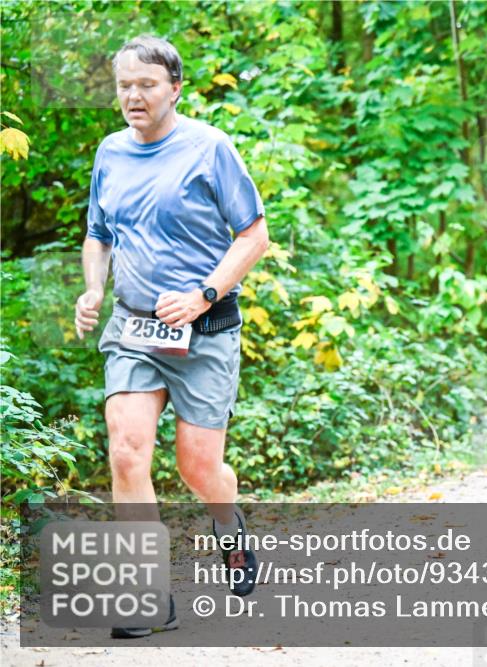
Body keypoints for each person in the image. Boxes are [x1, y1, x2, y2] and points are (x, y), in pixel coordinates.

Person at [73, 36, 268, 636]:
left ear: (175, 88)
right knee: (127, 448)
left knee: (197, 466)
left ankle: (228, 525)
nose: (134, 95)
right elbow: (99, 234)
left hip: (204, 330)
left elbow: (253, 236)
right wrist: (93, 290)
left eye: (147, 85)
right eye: (124, 86)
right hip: (133, 327)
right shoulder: (110, 152)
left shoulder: (209, 148)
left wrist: (204, 294)